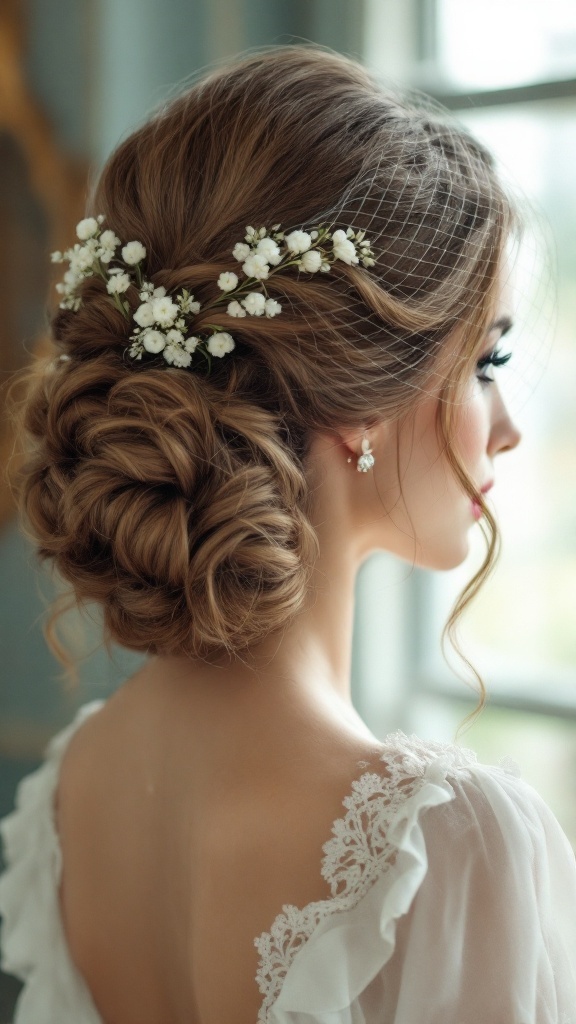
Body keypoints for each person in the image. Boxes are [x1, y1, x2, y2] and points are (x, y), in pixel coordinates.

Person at [0, 44, 575, 1024]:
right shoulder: (457, 843)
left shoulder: (72, 792)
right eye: (487, 358)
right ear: (357, 399)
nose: (510, 426)